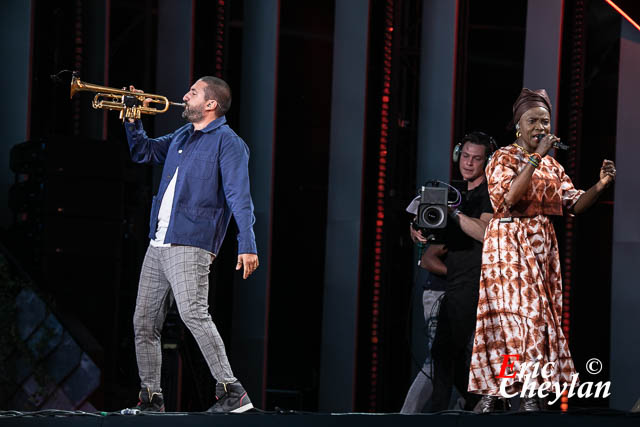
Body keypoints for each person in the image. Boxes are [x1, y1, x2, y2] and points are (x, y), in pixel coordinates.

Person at [469, 88, 616, 412]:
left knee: (535, 320)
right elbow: (508, 199)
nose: (540, 127)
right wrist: (536, 157)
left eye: (545, 121)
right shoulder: (502, 158)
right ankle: (506, 391)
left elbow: (575, 205)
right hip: (508, 245)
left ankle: (513, 390)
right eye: (532, 121)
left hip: (540, 248)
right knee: (513, 320)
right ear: (518, 126)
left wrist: (600, 186)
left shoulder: (552, 167)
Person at [124, 76, 259, 413]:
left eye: (193, 93)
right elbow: (143, 152)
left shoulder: (229, 143)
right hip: (159, 241)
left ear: (211, 104)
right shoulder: (184, 135)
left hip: (192, 241)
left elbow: (239, 198)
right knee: (144, 322)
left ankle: (232, 391)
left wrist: (248, 243)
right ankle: (151, 399)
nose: (184, 96)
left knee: (194, 314)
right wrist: (132, 118)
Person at [420, 132, 495, 412]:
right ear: (457, 156)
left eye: (476, 158)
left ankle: (462, 409)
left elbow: (487, 232)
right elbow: (435, 234)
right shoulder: (457, 193)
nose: (468, 163)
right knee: (444, 355)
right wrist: (419, 229)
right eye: (465, 156)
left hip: (475, 284)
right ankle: (470, 406)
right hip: (455, 284)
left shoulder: (489, 193)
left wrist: (455, 215)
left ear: (486, 162)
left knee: (452, 356)